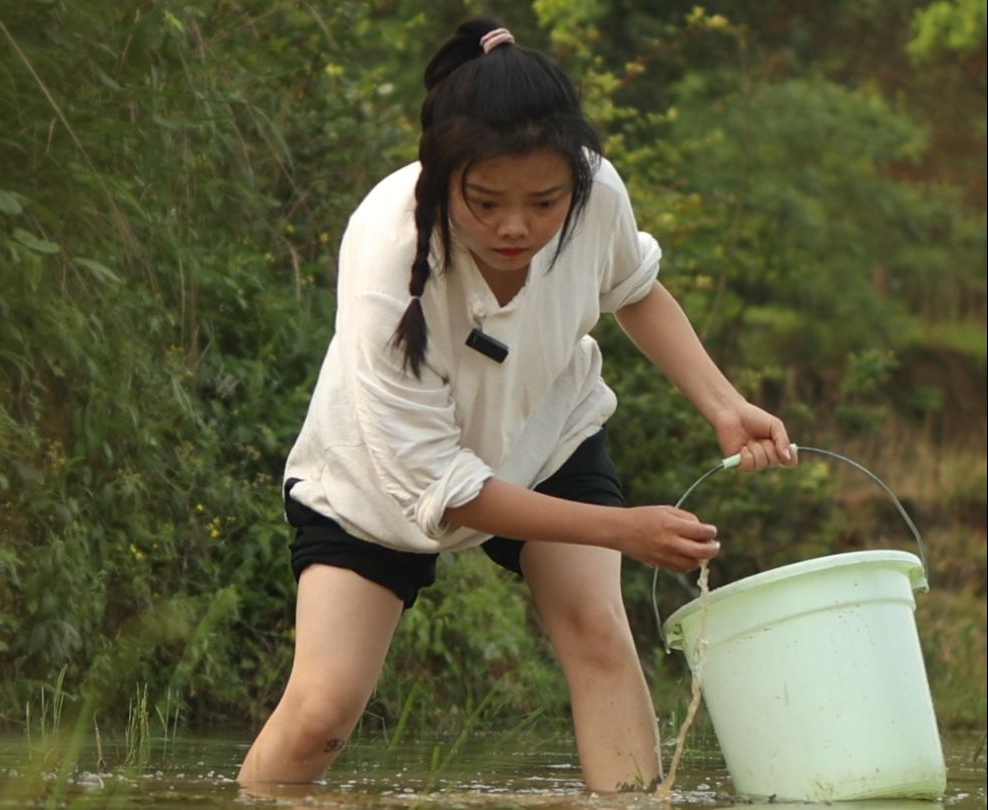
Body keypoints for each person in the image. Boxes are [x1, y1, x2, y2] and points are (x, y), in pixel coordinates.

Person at [237, 18, 796, 793]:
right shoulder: (386, 251)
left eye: (544, 202)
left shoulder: (597, 193)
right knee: (323, 711)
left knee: (600, 636)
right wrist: (625, 530)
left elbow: (634, 288)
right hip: (380, 486)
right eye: (486, 201)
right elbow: (450, 488)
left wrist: (724, 404)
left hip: (548, 438)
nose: (515, 227)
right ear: (442, 178)